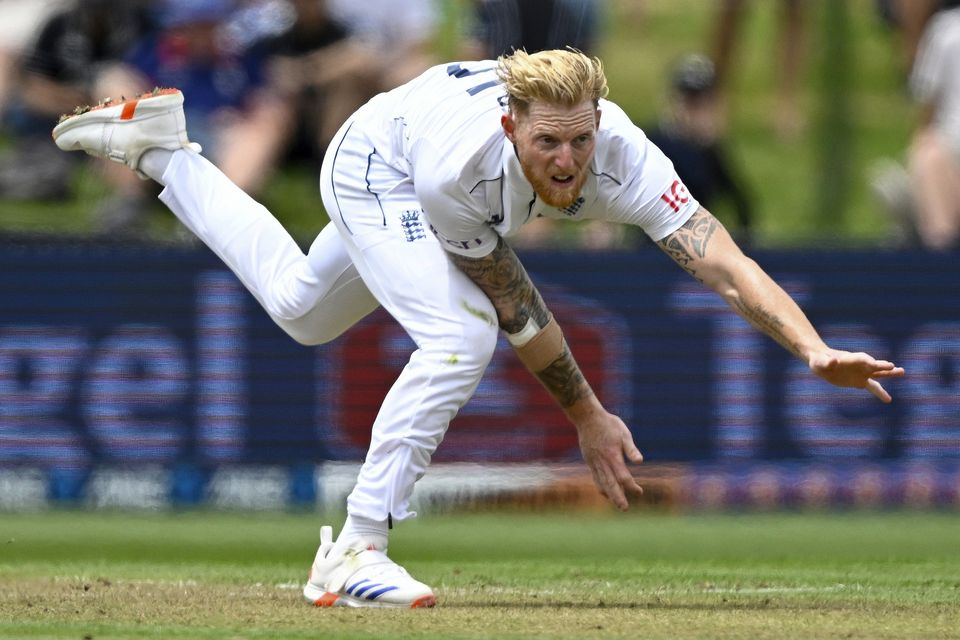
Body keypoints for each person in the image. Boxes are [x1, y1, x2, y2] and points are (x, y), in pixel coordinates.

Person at [52, 49, 904, 609]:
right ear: (510, 130)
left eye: (578, 140)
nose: (565, 163)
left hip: (407, 135)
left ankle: (164, 152)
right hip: (377, 164)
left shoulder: (627, 157)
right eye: (546, 145)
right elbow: (515, 304)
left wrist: (811, 347)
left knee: (302, 310)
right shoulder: (463, 166)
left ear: (599, 128)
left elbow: (721, 258)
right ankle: (355, 550)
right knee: (460, 337)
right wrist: (584, 414)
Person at [646, 53, 754, 244]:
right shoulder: (653, 144)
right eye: (692, 103)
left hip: (696, 247)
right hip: (653, 248)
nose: (698, 112)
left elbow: (742, 203)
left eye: (705, 103)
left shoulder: (711, 152)